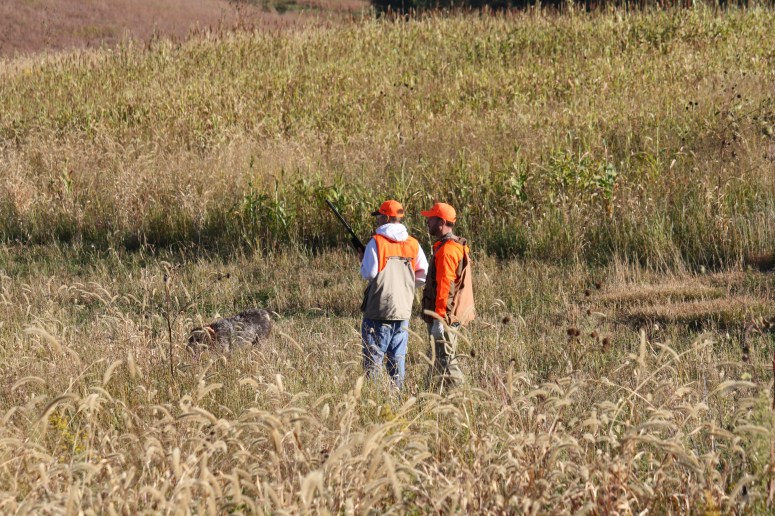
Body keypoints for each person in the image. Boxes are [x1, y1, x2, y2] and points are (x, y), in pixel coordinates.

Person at [360, 199, 428, 390]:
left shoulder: (376, 242)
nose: (378, 220)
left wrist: (362, 260)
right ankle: (397, 397)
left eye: (380, 216)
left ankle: (373, 398)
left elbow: (369, 273)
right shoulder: (413, 244)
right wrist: (404, 287)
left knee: (373, 361)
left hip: (378, 311)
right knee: (397, 361)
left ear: (387, 217)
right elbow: (423, 274)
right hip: (403, 310)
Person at [420, 202, 475, 391]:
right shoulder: (456, 246)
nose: (427, 221)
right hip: (453, 315)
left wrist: (438, 321)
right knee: (436, 361)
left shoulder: (447, 251)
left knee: (446, 362)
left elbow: (446, 288)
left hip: (445, 318)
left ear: (441, 222)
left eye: (431, 218)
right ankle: (427, 398)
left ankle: (466, 398)